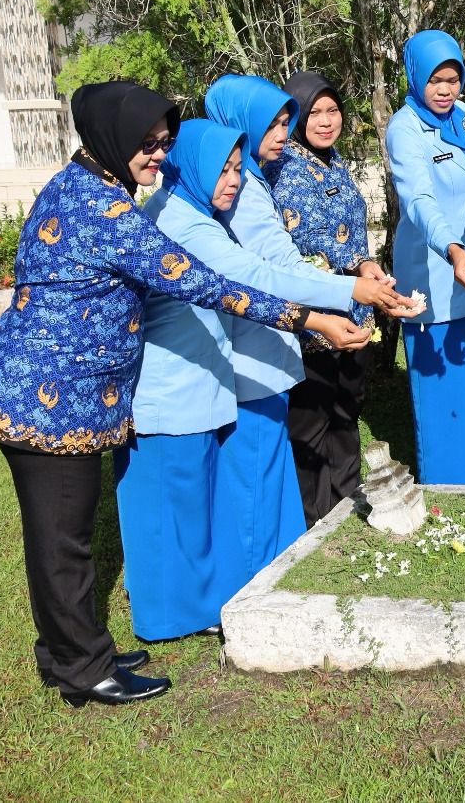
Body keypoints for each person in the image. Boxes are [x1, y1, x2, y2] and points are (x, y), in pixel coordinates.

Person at [0, 81, 311, 707]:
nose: (157, 156)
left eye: (164, 144)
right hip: (47, 397)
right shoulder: (103, 209)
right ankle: (81, 669)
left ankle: (72, 646)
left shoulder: (85, 185)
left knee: (60, 535)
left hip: (52, 390)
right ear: (112, 139)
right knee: (63, 539)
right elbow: (200, 281)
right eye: (146, 145)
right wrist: (304, 317)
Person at [122, 119, 389, 640]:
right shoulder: (187, 224)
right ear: (191, 166)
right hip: (169, 387)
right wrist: (344, 294)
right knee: (166, 510)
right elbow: (256, 276)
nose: (231, 181)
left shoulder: (194, 213)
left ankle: (191, 611)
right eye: (219, 169)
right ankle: (166, 618)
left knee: (189, 504)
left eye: (235, 169)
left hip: (197, 381)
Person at [204, 74, 365, 593]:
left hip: (321, 310)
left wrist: (360, 273)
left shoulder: (270, 172)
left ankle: (326, 527)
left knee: (329, 425)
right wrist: (341, 294)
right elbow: (272, 263)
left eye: (283, 121)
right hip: (292, 320)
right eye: (281, 120)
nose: (287, 131)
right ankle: (289, 554)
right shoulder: (254, 180)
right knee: (292, 441)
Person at [266, 70, 385, 524]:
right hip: (316, 315)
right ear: (296, 118)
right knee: (312, 422)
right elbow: (303, 236)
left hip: (354, 306)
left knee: (345, 412)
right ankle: (316, 518)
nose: (325, 120)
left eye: (332, 110)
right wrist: (357, 262)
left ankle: (348, 502)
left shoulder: (334, 160)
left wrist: (364, 268)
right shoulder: (285, 166)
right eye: (314, 112)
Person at [385, 29, 465, 483]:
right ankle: (449, 490)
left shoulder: (463, 117)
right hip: (433, 276)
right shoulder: (404, 128)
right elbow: (419, 200)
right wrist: (452, 248)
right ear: (415, 78)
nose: (447, 90)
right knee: (443, 400)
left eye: (454, 79)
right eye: (436, 81)